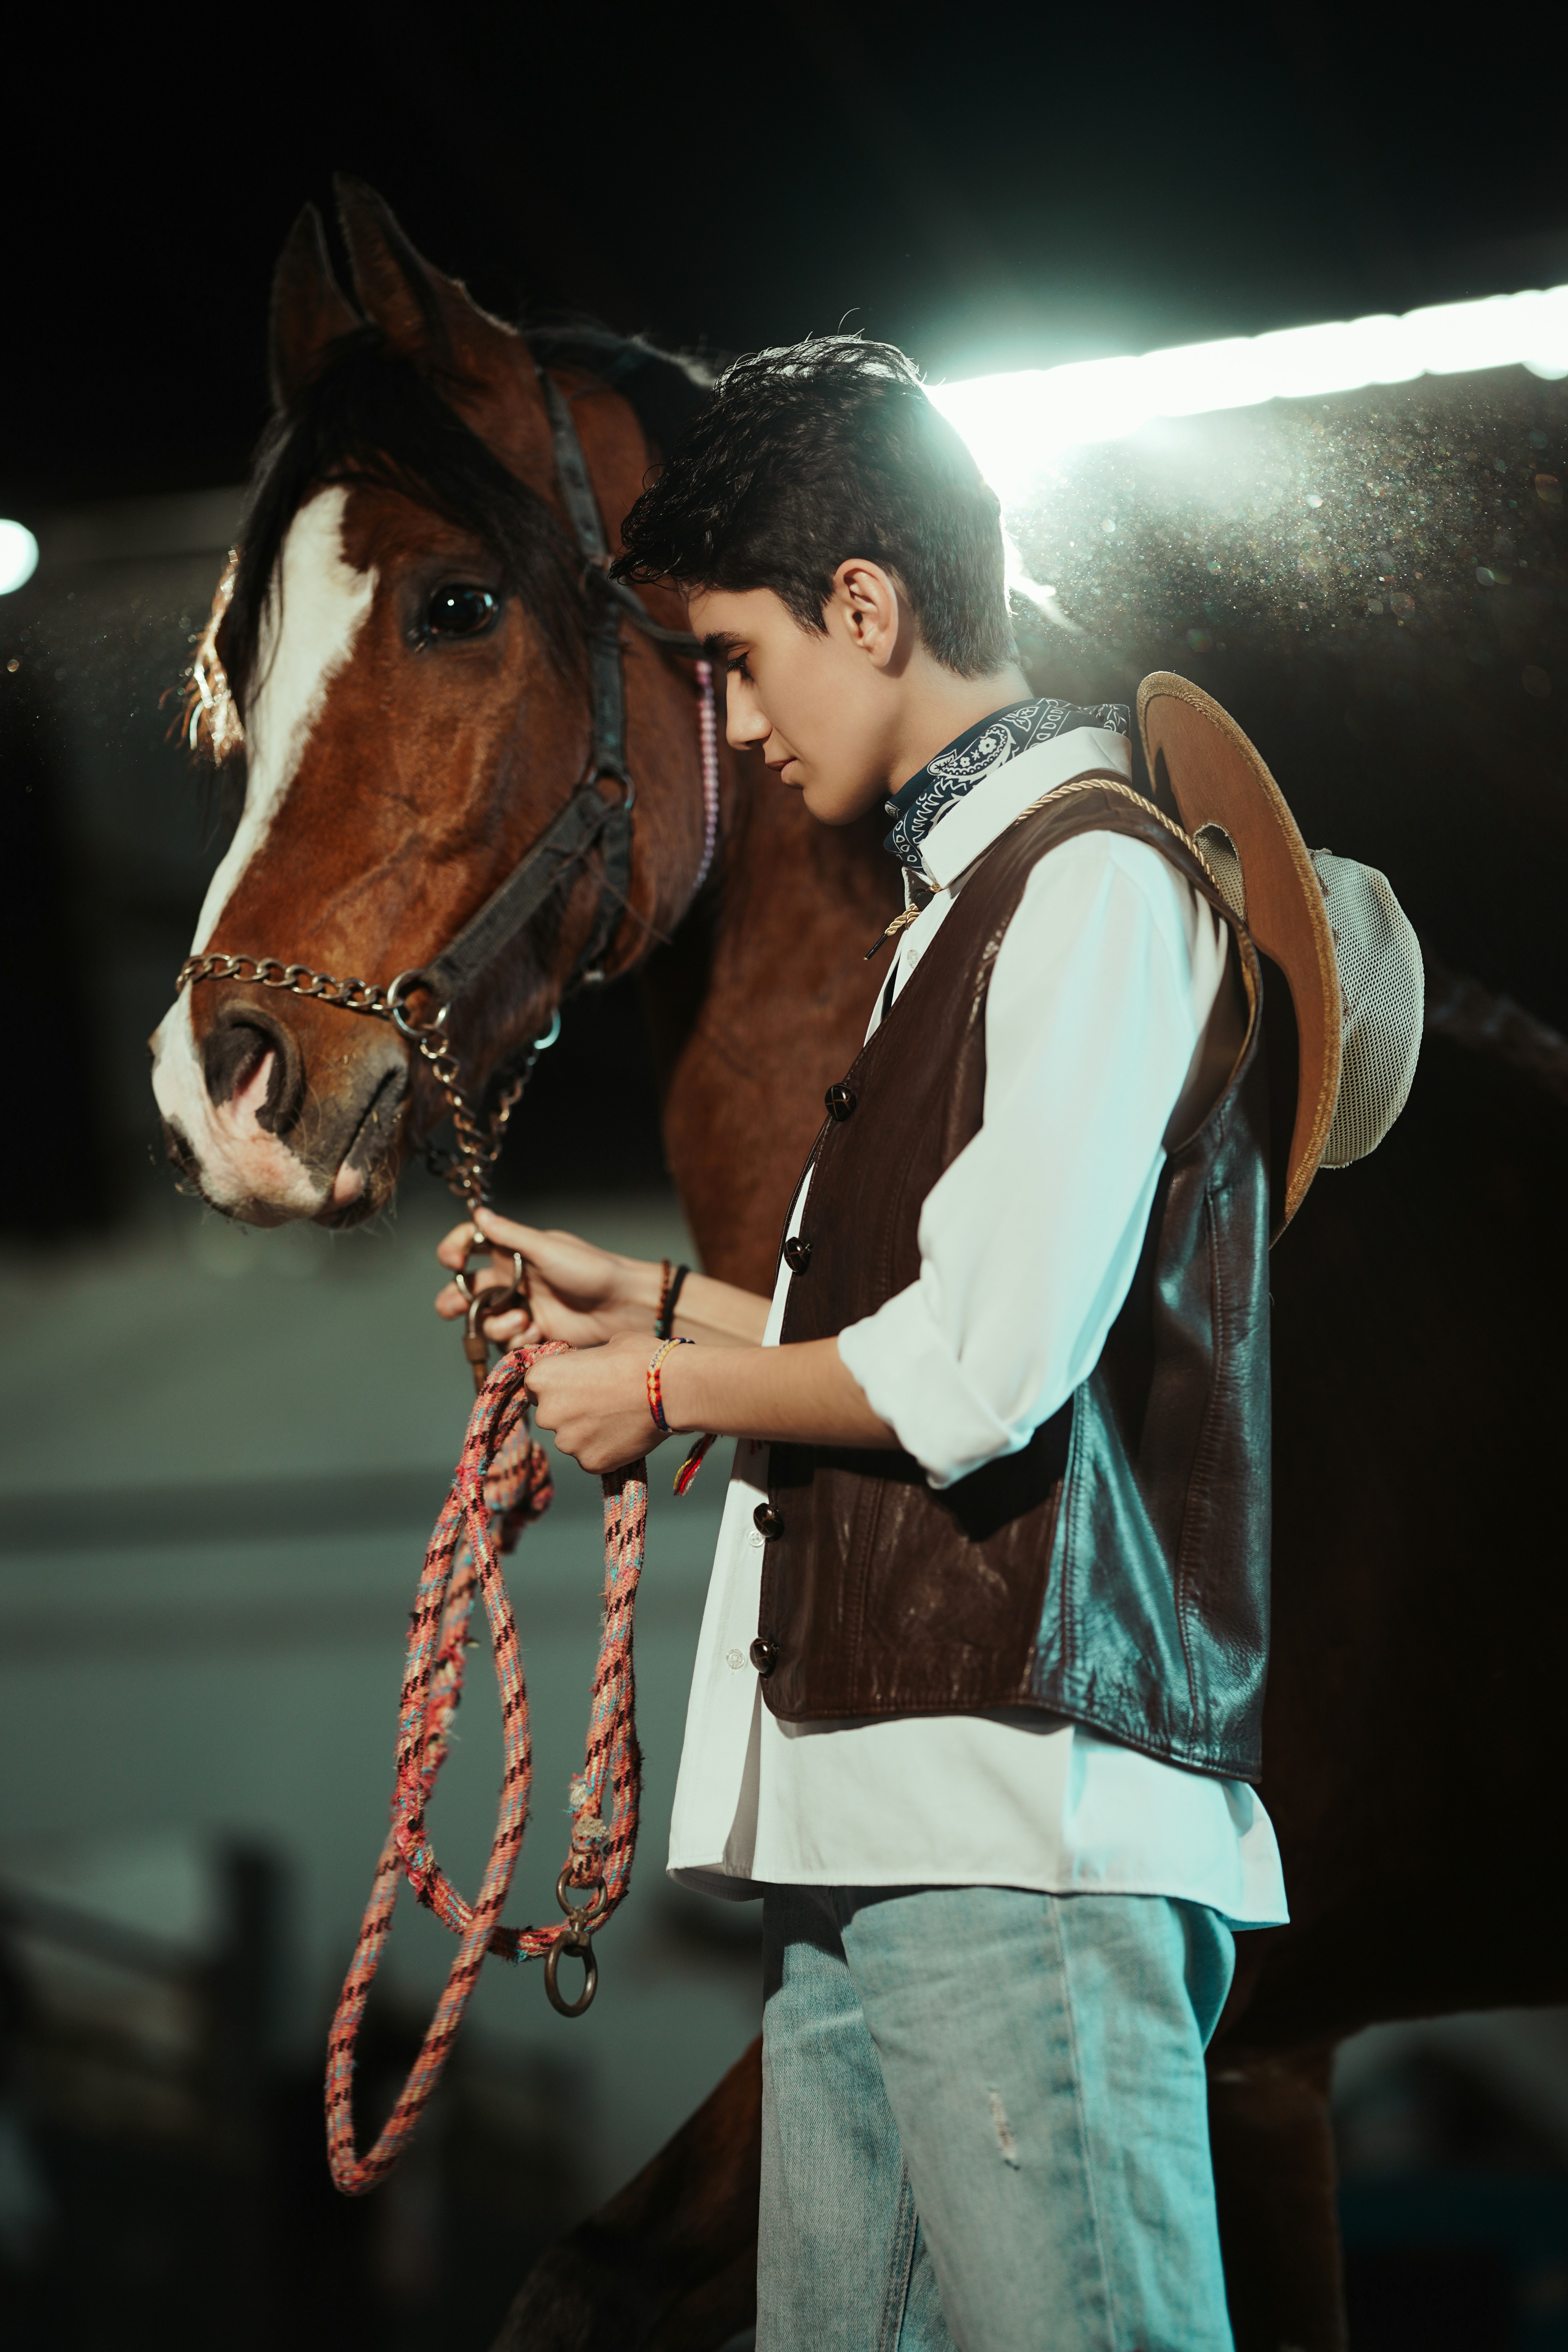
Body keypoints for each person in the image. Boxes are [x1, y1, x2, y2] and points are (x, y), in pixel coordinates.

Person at [434, 338, 1286, 2351]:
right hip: (889, 1823)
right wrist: (656, 1308)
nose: (724, 716)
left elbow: (979, 1372)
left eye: (733, 657)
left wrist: (658, 1388)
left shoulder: (1087, 887)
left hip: (1020, 1826)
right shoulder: (965, 905)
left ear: (870, 609)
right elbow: (907, 1335)